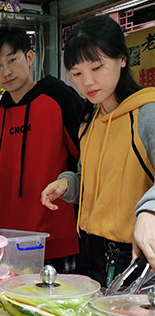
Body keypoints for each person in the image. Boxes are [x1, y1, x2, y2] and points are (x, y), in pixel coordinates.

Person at [41, 15, 155, 285]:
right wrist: (67, 183)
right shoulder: (89, 121)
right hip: (90, 250)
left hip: (134, 255)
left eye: (97, 67)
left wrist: (150, 210)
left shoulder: (147, 114)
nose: (87, 82)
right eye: (77, 74)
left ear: (122, 59)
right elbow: (99, 182)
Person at [0, 26, 84, 270]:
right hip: (13, 240)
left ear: (29, 57)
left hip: (58, 235)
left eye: (12, 60)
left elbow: (87, 157)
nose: (6, 71)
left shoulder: (59, 97)